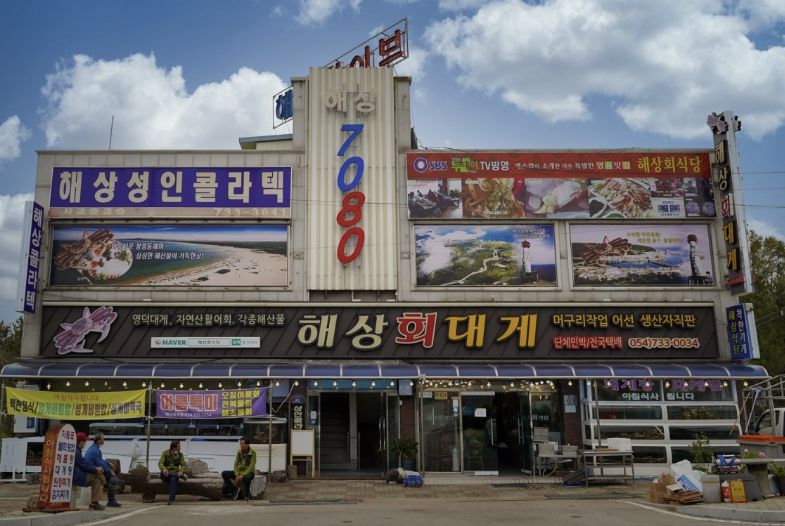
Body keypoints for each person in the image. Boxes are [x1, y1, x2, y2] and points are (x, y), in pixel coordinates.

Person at [84, 431, 122, 507]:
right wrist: (110, 471)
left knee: (110, 479)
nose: (104, 440)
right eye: (103, 439)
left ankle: (109, 497)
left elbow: (100, 461)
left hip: (93, 471)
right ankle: (111, 501)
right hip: (91, 473)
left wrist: (108, 463)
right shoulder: (95, 450)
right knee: (114, 480)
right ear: (98, 441)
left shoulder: (93, 448)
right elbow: (100, 464)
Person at [73, 432, 105, 510]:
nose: (85, 444)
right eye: (84, 442)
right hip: (77, 477)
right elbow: (83, 466)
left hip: (79, 475)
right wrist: (95, 469)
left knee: (97, 481)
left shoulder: (78, 450)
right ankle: (105, 483)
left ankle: (94, 503)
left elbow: (85, 463)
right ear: (80, 442)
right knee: (98, 474)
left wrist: (96, 468)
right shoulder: (76, 452)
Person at [221, 437, 256, 502]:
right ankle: (234, 490)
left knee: (247, 478)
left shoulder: (253, 453)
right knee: (224, 473)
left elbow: (251, 466)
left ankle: (246, 495)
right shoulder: (239, 452)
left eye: (242, 444)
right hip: (239, 472)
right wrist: (237, 475)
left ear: (247, 444)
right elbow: (236, 464)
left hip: (248, 473)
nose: (241, 445)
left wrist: (242, 475)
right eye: (240, 443)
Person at [159, 440, 187, 505]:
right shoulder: (165, 453)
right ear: (174, 448)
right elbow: (160, 463)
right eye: (179, 447)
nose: (180, 448)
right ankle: (181, 476)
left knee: (173, 479)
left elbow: (183, 465)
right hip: (165, 474)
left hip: (174, 474)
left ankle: (171, 500)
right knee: (172, 475)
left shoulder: (180, 455)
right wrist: (164, 469)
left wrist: (181, 471)